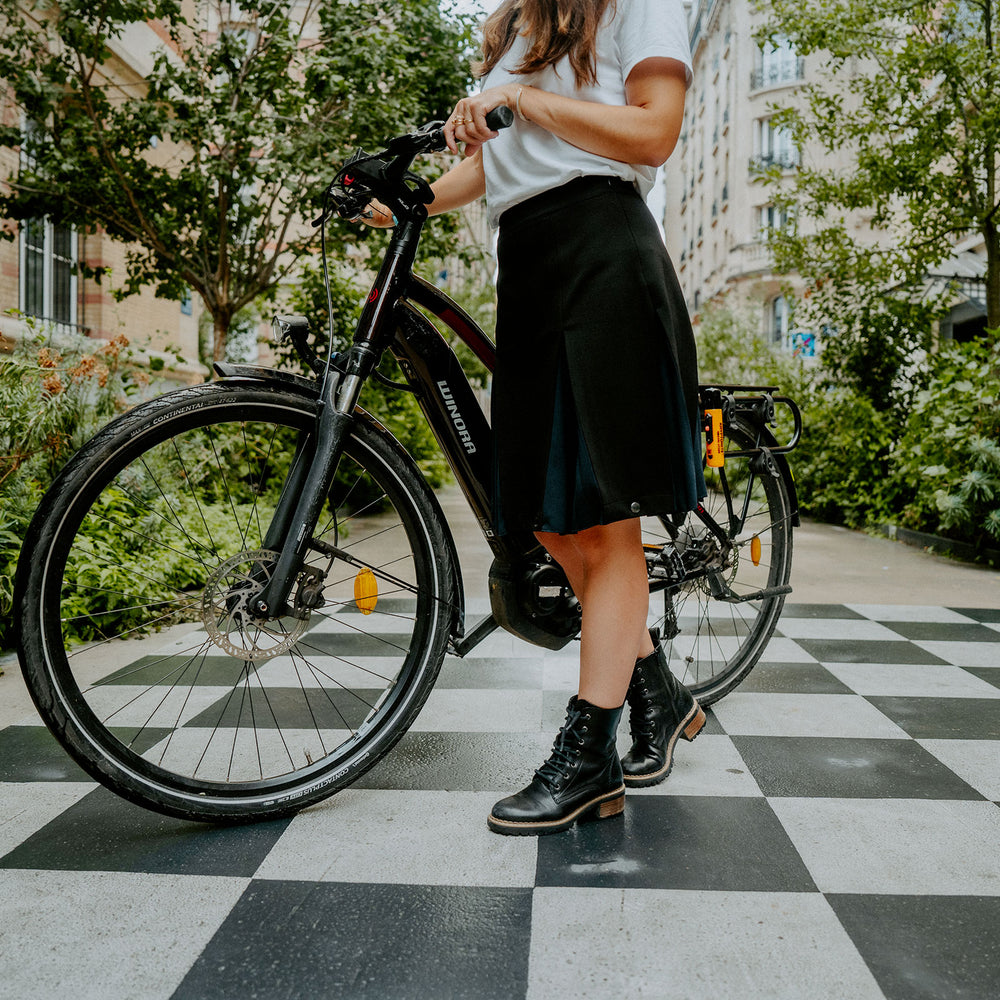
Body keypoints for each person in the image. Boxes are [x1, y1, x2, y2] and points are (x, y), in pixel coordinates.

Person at [360, 0, 706, 836]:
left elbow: (654, 132)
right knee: (545, 519)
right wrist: (410, 204)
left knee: (601, 520)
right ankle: (657, 691)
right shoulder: (520, 27)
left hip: (602, 250)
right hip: (533, 260)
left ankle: (590, 757)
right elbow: (502, 160)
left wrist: (528, 101)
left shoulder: (637, 4)